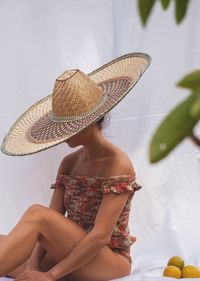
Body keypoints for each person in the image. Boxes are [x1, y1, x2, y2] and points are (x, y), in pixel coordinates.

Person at [0, 53, 151, 281]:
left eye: (68, 127)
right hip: (73, 251)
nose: (61, 135)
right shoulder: (69, 163)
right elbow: (48, 225)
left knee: (36, 213)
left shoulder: (118, 164)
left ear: (90, 122)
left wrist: (50, 275)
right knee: (7, 241)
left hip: (109, 260)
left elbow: (100, 236)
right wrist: (33, 267)